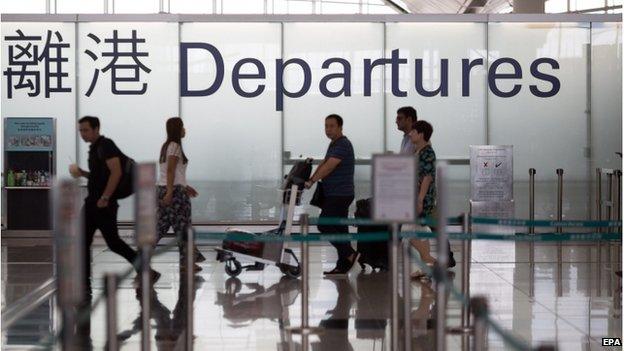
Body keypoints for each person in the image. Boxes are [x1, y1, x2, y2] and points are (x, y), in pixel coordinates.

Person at [70, 116, 160, 293]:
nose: (82, 133)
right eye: (80, 130)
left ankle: (146, 270)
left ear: (96, 129)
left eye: (86, 130)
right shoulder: (95, 149)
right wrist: (82, 173)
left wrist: (105, 197)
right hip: (94, 202)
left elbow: (116, 173)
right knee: (84, 241)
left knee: (113, 242)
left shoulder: (106, 145)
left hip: (102, 203)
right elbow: (100, 177)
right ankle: (83, 281)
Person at [305, 114, 359, 276]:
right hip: (335, 193)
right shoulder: (334, 144)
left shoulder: (343, 144)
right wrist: (310, 178)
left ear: (340, 127)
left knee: (324, 224)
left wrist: (313, 180)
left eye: (332, 126)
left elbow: (330, 166)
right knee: (341, 229)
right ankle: (343, 265)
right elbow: (324, 163)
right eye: (326, 126)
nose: (328, 129)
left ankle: (349, 253)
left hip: (340, 194)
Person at [407, 120, 455, 278]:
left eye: (413, 131)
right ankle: (430, 263)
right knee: (425, 230)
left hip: (424, 200)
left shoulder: (427, 152)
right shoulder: (418, 151)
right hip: (419, 198)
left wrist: (420, 200)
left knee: (408, 231)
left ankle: (432, 261)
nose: (410, 133)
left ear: (421, 134)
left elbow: (427, 178)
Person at [156, 117, 203, 272]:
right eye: (182, 127)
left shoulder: (166, 146)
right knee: (182, 227)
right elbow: (169, 170)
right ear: (178, 129)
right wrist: (171, 192)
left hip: (167, 189)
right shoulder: (175, 146)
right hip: (173, 192)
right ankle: (187, 261)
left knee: (161, 226)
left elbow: (172, 172)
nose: (185, 129)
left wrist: (185, 186)